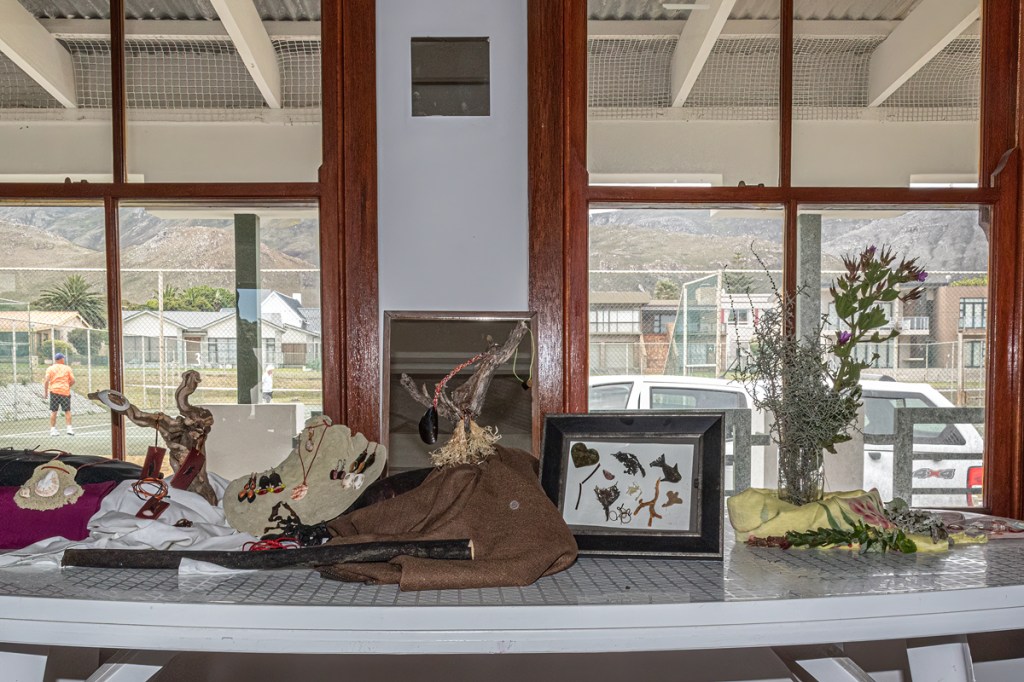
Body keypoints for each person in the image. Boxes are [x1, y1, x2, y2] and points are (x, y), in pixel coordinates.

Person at [43, 352, 75, 436]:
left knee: (54, 411)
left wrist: (46, 393)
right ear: (61, 359)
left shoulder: (50, 369)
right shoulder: (67, 368)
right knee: (67, 411)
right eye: (63, 358)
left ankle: (52, 430)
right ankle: (69, 429)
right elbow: (73, 380)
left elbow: (46, 381)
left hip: (54, 391)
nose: (64, 359)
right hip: (64, 392)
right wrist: (67, 386)